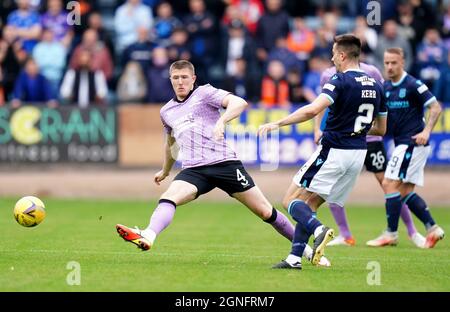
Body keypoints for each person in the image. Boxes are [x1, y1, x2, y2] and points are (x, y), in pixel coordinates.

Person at [115, 60, 330, 266]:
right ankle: (148, 235)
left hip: (225, 164)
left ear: (193, 79)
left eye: (184, 77)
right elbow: (171, 143)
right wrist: (165, 170)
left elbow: (239, 103)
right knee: (168, 198)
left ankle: (309, 252)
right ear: (170, 80)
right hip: (194, 170)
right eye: (175, 78)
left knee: (266, 212)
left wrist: (222, 120)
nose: (180, 82)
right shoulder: (167, 111)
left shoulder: (204, 93)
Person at [258, 34, 387, 269]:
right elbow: (381, 129)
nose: (331, 58)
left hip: (334, 150)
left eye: (333, 53)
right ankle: (294, 258)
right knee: (311, 205)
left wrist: (277, 123)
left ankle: (320, 229)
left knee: (290, 201)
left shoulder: (339, 80)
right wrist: (356, 129)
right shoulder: (377, 86)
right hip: (358, 155)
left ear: (342, 55)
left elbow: (312, 110)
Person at [314, 62, 426, 248]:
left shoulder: (371, 71)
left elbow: (383, 101)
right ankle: (346, 235)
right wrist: (317, 129)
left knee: (389, 186)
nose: (334, 58)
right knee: (331, 187)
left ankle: (412, 232)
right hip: (344, 142)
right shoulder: (328, 74)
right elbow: (321, 103)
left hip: (371, 140)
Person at [366, 47, 445, 248]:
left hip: (413, 143)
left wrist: (427, 131)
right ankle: (433, 228)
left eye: (394, 63)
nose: (390, 67)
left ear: (403, 62)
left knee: (388, 184)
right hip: (402, 143)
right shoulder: (385, 87)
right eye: (387, 63)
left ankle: (391, 233)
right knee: (404, 191)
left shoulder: (413, 84)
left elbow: (435, 107)